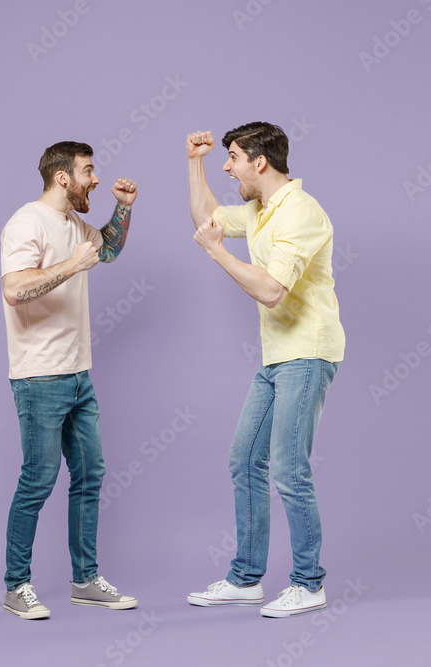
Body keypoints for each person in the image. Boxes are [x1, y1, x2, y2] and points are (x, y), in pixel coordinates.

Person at [184, 123, 345, 618]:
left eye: (231, 157)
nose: (226, 166)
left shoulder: (301, 211)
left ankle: (308, 582)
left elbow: (273, 290)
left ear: (260, 162)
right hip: (276, 356)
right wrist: (195, 161)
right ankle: (246, 578)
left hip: (308, 351)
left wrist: (215, 252)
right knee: (244, 460)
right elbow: (209, 216)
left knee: (289, 468)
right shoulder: (259, 209)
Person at [0, 141, 138, 620]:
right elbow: (15, 290)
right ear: (63, 177)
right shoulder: (26, 222)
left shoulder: (75, 224)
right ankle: (17, 586)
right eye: (88, 171)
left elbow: (110, 250)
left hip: (79, 375)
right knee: (37, 480)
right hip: (39, 377)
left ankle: (85, 580)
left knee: (89, 476)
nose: (95, 180)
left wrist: (122, 209)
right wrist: (71, 266)